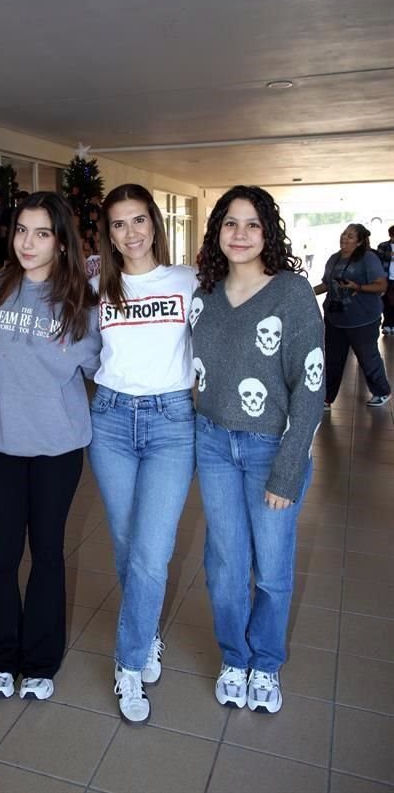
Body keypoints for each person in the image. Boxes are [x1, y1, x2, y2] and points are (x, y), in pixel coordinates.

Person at [192, 185, 324, 715]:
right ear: (216, 231)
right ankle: (234, 655)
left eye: (251, 223)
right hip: (214, 443)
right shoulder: (203, 295)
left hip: (273, 448)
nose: (240, 234)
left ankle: (266, 663)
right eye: (229, 223)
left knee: (271, 568)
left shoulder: (290, 293)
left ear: (267, 231)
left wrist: (289, 470)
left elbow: (311, 385)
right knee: (225, 566)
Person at [0, 191, 101, 702]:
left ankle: (42, 660)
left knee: (47, 552)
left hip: (59, 444)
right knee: (4, 554)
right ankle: (0, 659)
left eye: (42, 233)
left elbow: (104, 368)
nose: (28, 242)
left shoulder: (83, 302)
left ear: (61, 242)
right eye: (21, 230)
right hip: (1, 441)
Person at [88, 183, 197, 726]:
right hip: (109, 420)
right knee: (128, 543)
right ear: (107, 233)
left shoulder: (188, 281)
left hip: (172, 424)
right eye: (118, 224)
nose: (130, 233)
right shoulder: (96, 284)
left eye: (138, 220)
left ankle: (128, 664)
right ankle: (146, 629)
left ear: (154, 222)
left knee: (152, 551)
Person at [314, 224, 390, 407]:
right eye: (344, 234)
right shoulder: (334, 258)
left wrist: (358, 287)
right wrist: (305, 292)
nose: (345, 238)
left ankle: (382, 391)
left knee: (367, 357)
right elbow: (326, 284)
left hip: (363, 319)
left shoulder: (368, 258)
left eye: (350, 236)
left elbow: (381, 286)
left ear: (360, 241)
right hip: (335, 318)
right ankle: (327, 398)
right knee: (333, 359)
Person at [377, 224, 394, 335]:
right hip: (387, 278)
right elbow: (380, 256)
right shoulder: (383, 245)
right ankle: (387, 324)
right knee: (387, 302)